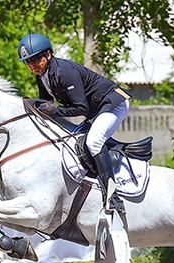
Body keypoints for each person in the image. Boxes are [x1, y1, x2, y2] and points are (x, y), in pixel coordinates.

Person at [18, 33, 132, 214]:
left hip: (114, 103)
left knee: (93, 142)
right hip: (97, 110)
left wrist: (53, 110)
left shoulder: (64, 72)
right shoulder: (42, 76)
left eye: (36, 59)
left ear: (48, 54)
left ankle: (113, 197)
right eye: (28, 62)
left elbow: (81, 109)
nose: (32, 66)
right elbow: (46, 104)